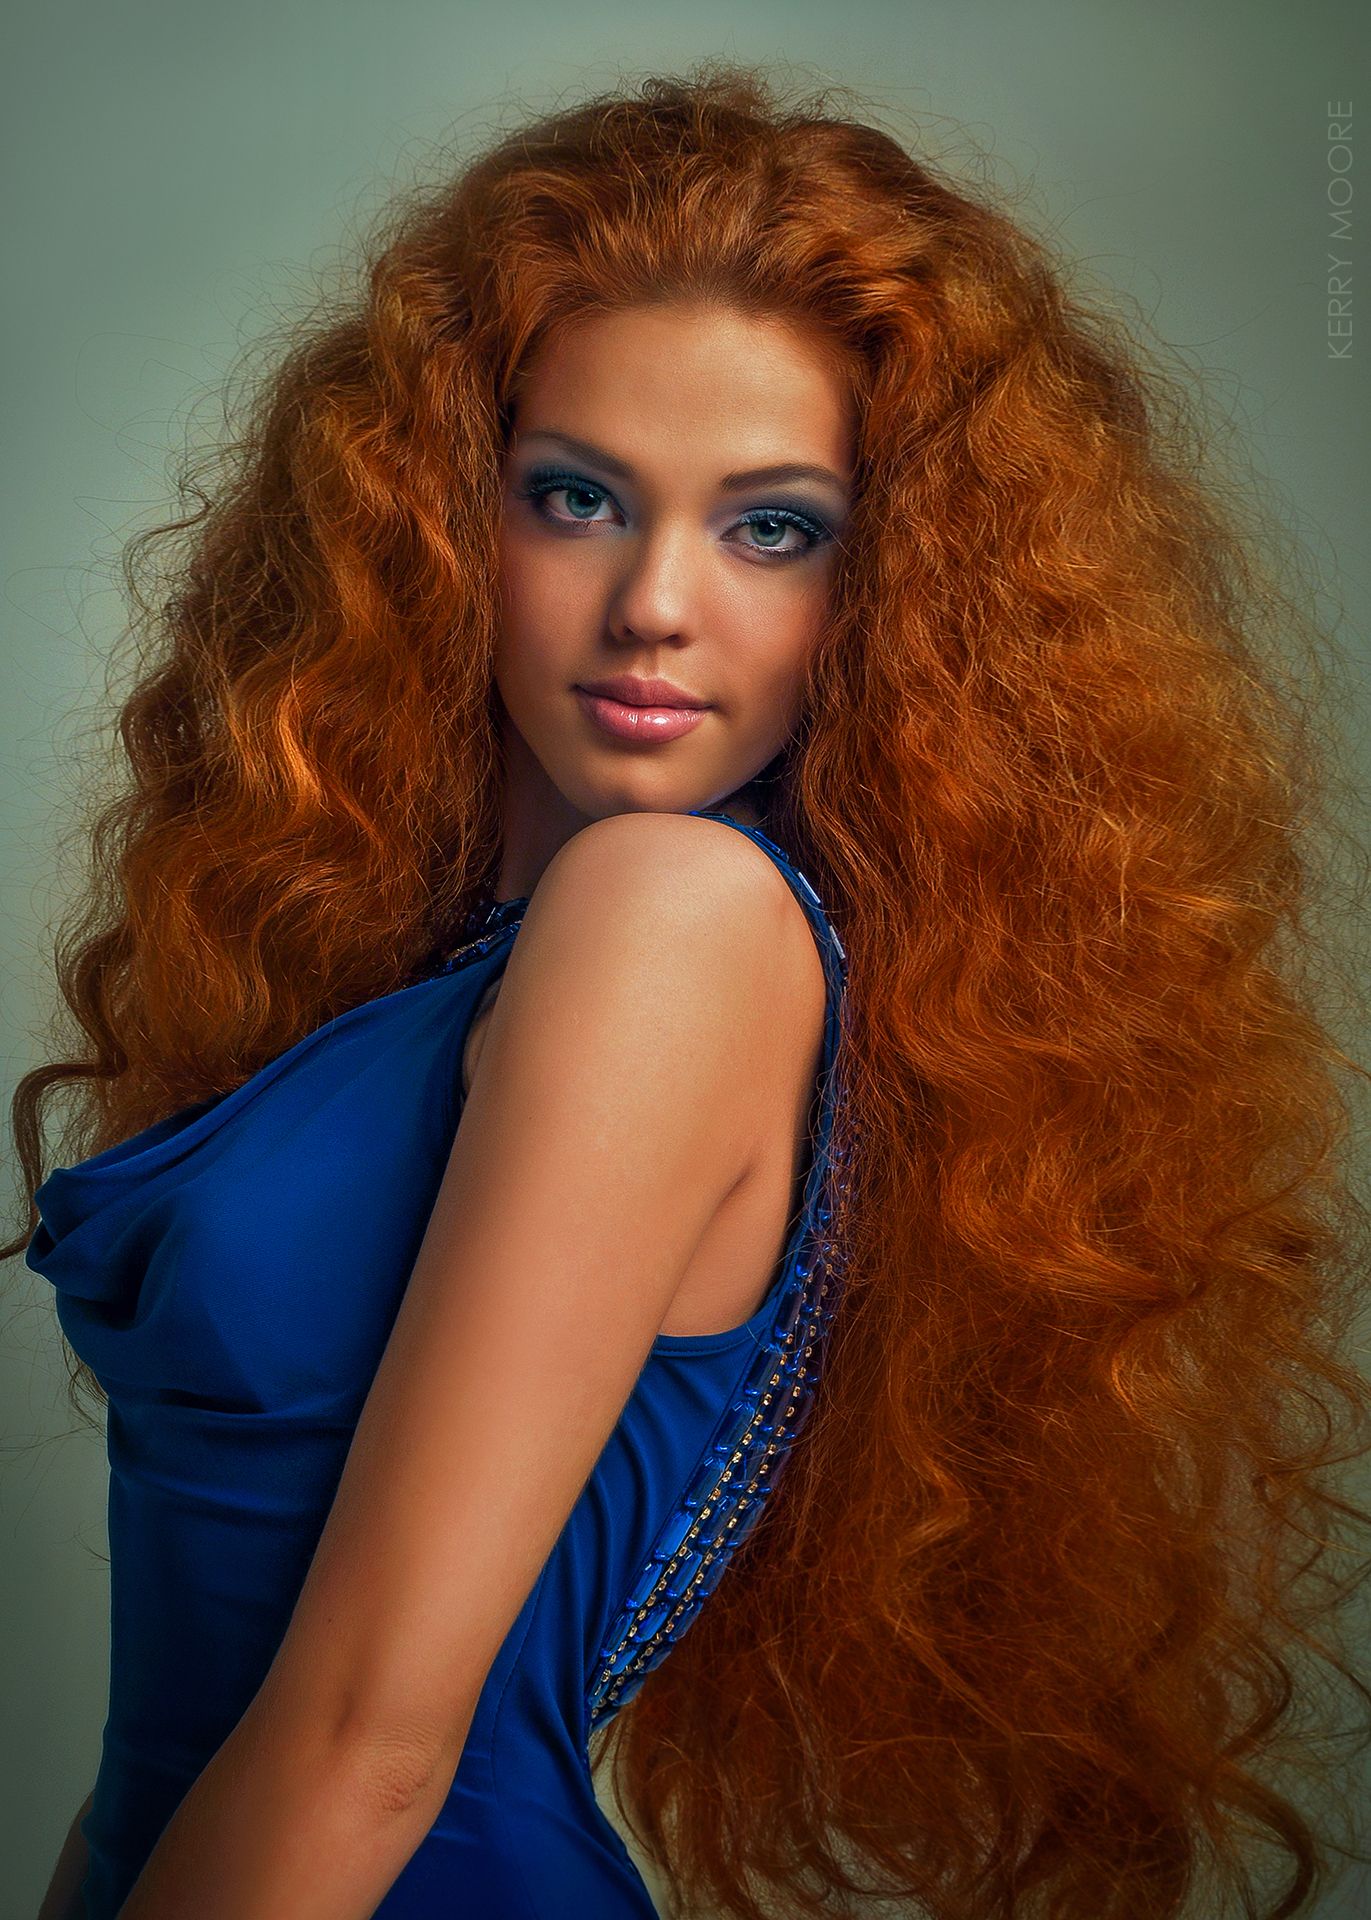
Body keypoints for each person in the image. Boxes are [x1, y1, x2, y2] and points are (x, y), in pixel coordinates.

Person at [11, 59, 1371, 1920]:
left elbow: (372, 1742)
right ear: (442, 514)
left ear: (891, 591)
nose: (656, 601)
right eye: (576, 497)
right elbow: (176, 1725)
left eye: (773, 526)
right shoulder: (456, 962)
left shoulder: (673, 919)